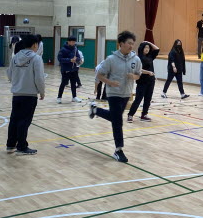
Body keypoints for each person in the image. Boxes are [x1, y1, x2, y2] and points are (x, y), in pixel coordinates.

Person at [88, 31, 142, 163]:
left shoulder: (136, 59)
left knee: (115, 117)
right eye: (129, 43)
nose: (131, 46)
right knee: (118, 121)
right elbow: (99, 75)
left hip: (126, 93)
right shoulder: (111, 59)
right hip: (113, 94)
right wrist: (110, 83)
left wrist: (134, 77)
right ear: (121, 44)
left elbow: (138, 75)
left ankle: (95, 110)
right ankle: (118, 150)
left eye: (133, 44)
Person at [6, 35, 45, 155]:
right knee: (24, 121)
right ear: (34, 45)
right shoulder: (36, 58)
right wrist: (42, 91)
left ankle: (10, 145)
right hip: (30, 95)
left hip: (16, 94)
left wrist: (17, 83)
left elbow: (9, 74)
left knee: (14, 120)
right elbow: (39, 78)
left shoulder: (15, 57)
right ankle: (22, 147)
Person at [127, 41, 159, 122]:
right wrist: (148, 72)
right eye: (145, 47)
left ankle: (144, 114)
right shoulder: (138, 58)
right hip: (142, 81)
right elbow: (138, 69)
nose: (147, 49)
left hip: (151, 81)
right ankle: (130, 115)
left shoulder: (150, 56)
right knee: (138, 99)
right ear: (142, 48)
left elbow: (157, 49)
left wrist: (148, 42)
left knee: (148, 99)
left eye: (148, 48)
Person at [57, 36, 82, 103]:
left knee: (73, 84)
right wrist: (69, 60)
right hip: (66, 69)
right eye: (72, 42)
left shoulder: (75, 49)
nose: (73, 43)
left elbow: (78, 57)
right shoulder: (63, 49)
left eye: (74, 42)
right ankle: (59, 97)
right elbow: (60, 59)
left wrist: (77, 59)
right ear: (68, 42)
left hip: (74, 69)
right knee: (63, 83)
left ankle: (74, 97)